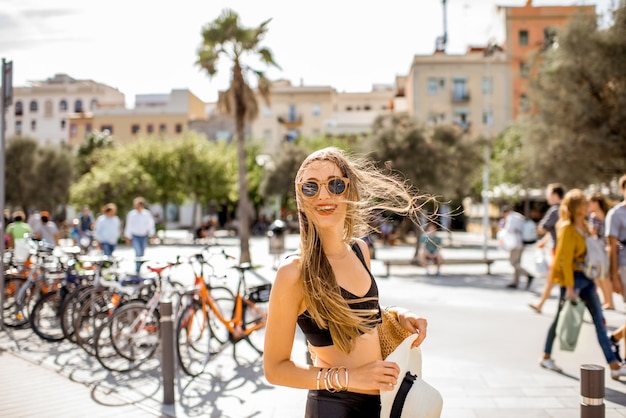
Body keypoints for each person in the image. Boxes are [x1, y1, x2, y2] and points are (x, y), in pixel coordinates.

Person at [263, 147, 428, 417]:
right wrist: (350, 378)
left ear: (350, 191)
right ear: (300, 197)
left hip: (385, 404)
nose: (324, 195)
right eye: (310, 188)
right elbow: (275, 368)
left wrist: (397, 315)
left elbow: (357, 316)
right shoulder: (294, 272)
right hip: (334, 408)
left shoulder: (360, 251)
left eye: (335, 185)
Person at [538, 189, 626, 380]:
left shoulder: (585, 226)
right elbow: (564, 260)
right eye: (584, 204)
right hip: (573, 281)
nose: (588, 207)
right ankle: (546, 355)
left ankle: (614, 364)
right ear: (576, 207)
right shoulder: (568, 228)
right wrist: (569, 288)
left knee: (599, 322)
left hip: (586, 279)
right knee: (560, 318)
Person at [529, 183, 565, 313]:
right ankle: (541, 304)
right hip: (567, 249)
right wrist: (545, 240)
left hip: (558, 250)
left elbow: (542, 228)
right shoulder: (567, 208)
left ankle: (542, 304)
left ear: (555, 195)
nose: (547, 197)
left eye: (549, 194)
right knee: (555, 278)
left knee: (553, 278)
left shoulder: (555, 210)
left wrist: (542, 233)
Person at [607, 174, 626, 364]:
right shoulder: (616, 213)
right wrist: (613, 276)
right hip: (624, 264)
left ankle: (614, 338)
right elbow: (610, 247)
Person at [588, 192, 614, 310]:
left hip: (599, 249)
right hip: (606, 247)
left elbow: (592, 233)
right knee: (602, 276)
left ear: (596, 203)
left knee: (602, 276)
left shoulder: (594, 216)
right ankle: (608, 300)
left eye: (590, 202)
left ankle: (609, 301)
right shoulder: (607, 214)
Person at [499, 206, 534, 289]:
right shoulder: (518, 216)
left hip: (515, 243)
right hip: (521, 242)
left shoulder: (511, 218)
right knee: (517, 262)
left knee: (513, 262)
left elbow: (509, 230)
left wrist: (502, 238)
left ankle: (528, 274)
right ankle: (515, 281)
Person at [124, 197, 155, 273]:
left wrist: (152, 235)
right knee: (138, 253)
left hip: (143, 236)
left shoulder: (146, 214)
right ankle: (137, 270)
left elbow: (150, 225)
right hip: (135, 236)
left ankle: (139, 268)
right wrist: (127, 237)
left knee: (142, 254)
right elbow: (129, 226)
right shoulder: (132, 214)